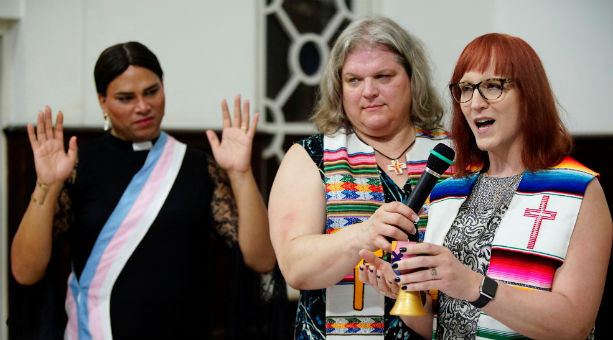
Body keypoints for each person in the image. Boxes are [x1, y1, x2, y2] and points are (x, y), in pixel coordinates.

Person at [10, 41, 276, 339]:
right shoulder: (75, 166)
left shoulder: (195, 166)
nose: (142, 106)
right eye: (126, 98)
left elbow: (262, 259)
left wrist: (241, 174)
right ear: (102, 102)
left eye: (152, 91)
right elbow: (25, 271)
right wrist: (46, 184)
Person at [359, 33, 613, 339]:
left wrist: (474, 286)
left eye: (493, 86)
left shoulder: (578, 191)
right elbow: (438, 326)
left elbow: (575, 325)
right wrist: (404, 291)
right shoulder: (448, 190)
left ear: (529, 95)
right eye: (465, 89)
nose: (475, 103)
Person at [268, 16, 451, 340]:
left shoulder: (451, 154)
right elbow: (295, 268)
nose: (369, 91)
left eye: (383, 76)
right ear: (339, 87)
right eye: (354, 80)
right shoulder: (311, 156)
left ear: (413, 79)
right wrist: (362, 236)